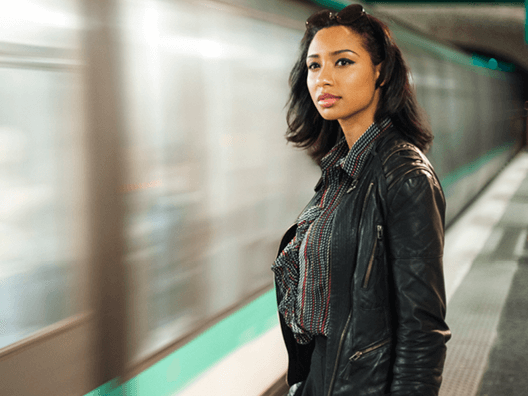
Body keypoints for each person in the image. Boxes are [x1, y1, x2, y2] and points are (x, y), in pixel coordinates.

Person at [271, 5, 451, 396]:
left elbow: (423, 331)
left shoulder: (404, 176)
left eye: (343, 62)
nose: (324, 78)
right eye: (314, 66)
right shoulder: (341, 170)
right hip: (320, 379)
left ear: (381, 72)